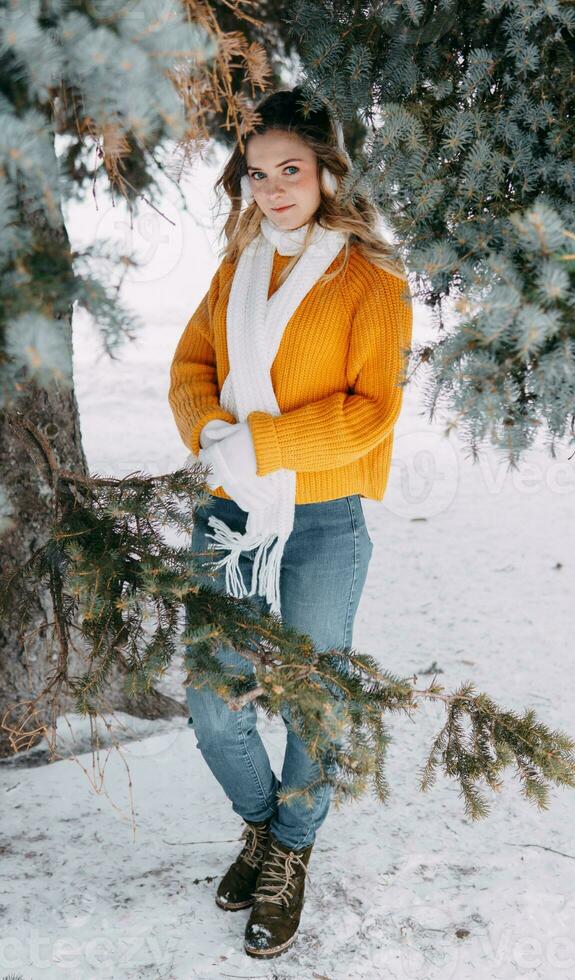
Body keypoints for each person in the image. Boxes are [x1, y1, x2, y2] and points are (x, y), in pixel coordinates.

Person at [168, 85, 413, 960]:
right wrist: (212, 438)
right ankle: (267, 825)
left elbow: (371, 409)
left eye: (292, 171)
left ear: (328, 173)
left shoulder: (371, 280)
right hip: (230, 509)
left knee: (316, 692)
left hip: (322, 516)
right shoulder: (235, 268)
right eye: (259, 173)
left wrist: (261, 445)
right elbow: (191, 365)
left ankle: (291, 853)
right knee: (211, 697)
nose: (272, 190)